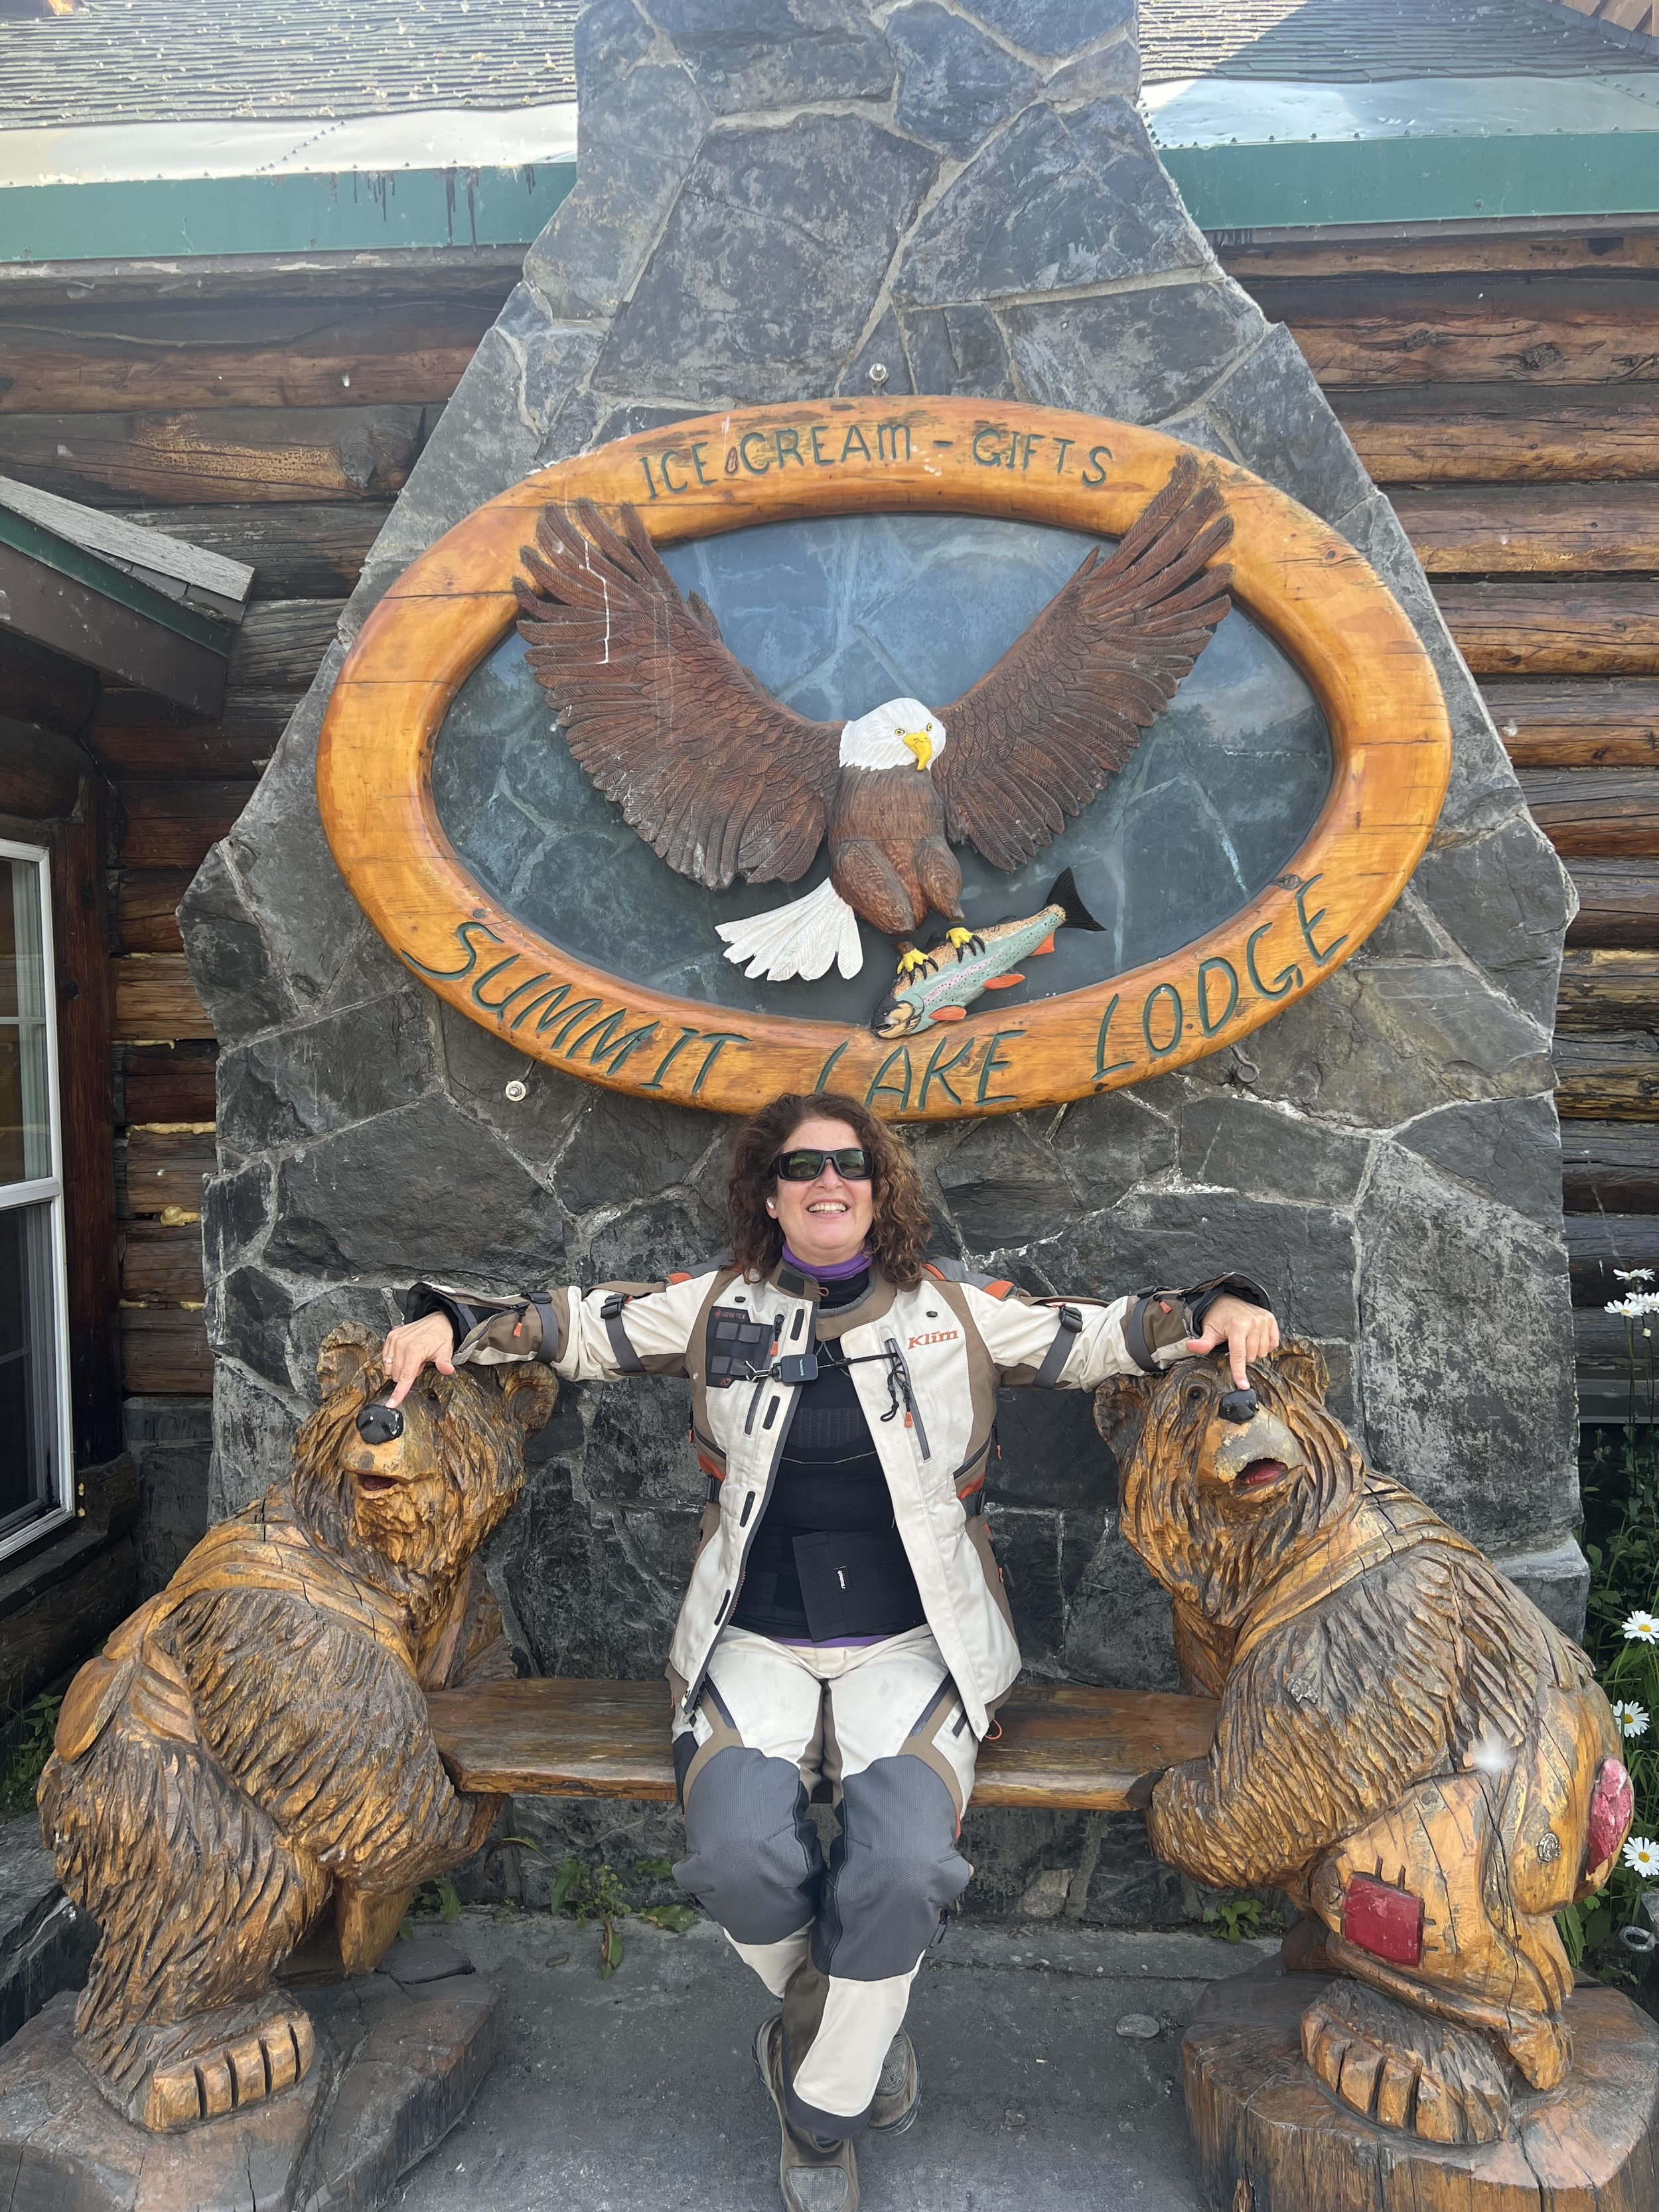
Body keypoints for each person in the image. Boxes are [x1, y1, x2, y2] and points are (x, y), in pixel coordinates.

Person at [381, 1090, 1277, 2212]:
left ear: (879, 1185)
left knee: (901, 1866)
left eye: (850, 1163)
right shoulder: (717, 1305)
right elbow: (572, 1326)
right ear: (769, 1194)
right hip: (750, 1639)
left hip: (914, 1644)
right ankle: (844, 2022)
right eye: (802, 1166)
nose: (828, 1182)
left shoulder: (953, 1308)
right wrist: (448, 1324)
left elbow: (1105, 1335)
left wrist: (1222, 1305)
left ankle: (817, 2115)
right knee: (738, 1855)